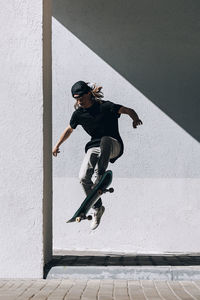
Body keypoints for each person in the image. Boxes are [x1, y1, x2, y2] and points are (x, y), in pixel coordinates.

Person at [52, 81, 142, 230]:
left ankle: (99, 175)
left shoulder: (105, 106)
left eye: (81, 97)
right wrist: (57, 145)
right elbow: (69, 129)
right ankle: (97, 208)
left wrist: (135, 119)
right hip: (94, 147)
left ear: (88, 94)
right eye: (76, 99)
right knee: (82, 178)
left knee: (105, 139)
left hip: (113, 145)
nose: (79, 101)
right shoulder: (78, 114)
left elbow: (127, 110)